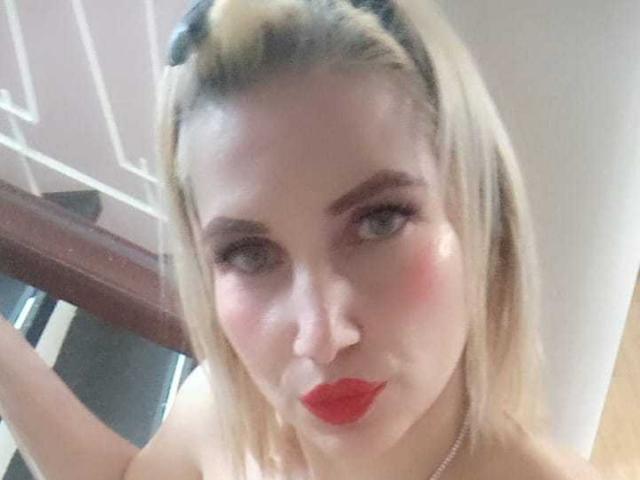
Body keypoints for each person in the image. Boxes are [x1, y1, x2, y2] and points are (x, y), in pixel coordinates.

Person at [0, 0, 605, 479]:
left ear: (483, 221)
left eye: (380, 222)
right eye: (249, 254)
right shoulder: (225, 414)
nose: (320, 337)